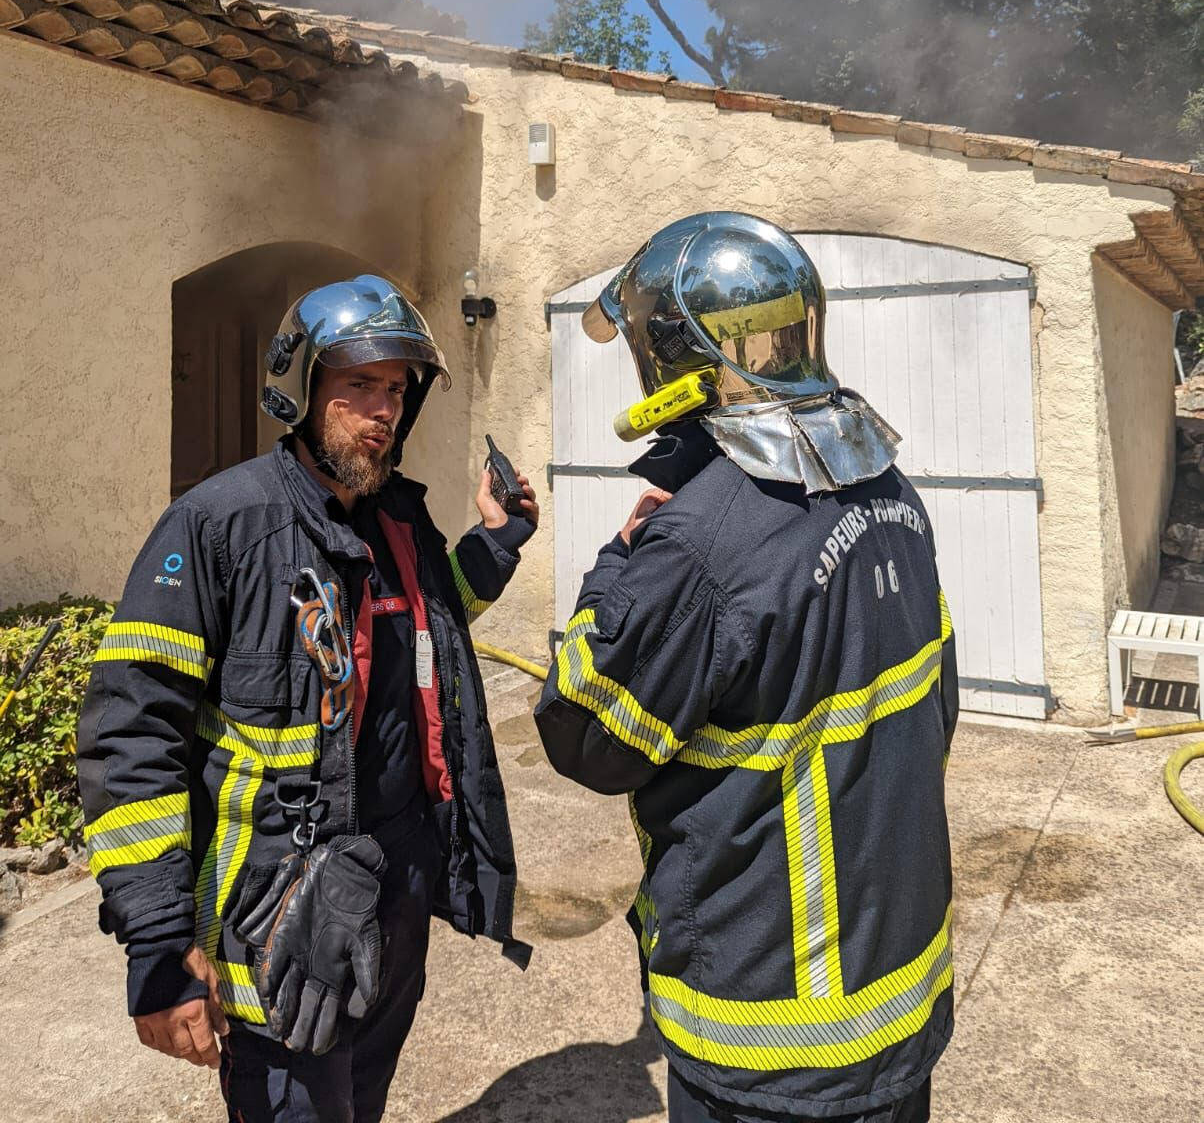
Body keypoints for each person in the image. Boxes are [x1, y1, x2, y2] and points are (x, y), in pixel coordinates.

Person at [78, 274, 538, 1123]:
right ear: (302, 386)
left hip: (399, 878)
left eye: (396, 389)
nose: (382, 409)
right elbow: (131, 735)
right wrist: (156, 943)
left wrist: (500, 543)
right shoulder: (221, 524)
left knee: (363, 1097)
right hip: (281, 910)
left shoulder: (401, 517)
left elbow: (434, 620)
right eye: (358, 384)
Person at [535, 213, 956, 1123]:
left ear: (674, 356)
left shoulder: (693, 542)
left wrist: (622, 558)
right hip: (904, 1000)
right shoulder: (893, 494)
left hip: (770, 1028)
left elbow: (587, 738)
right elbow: (938, 708)